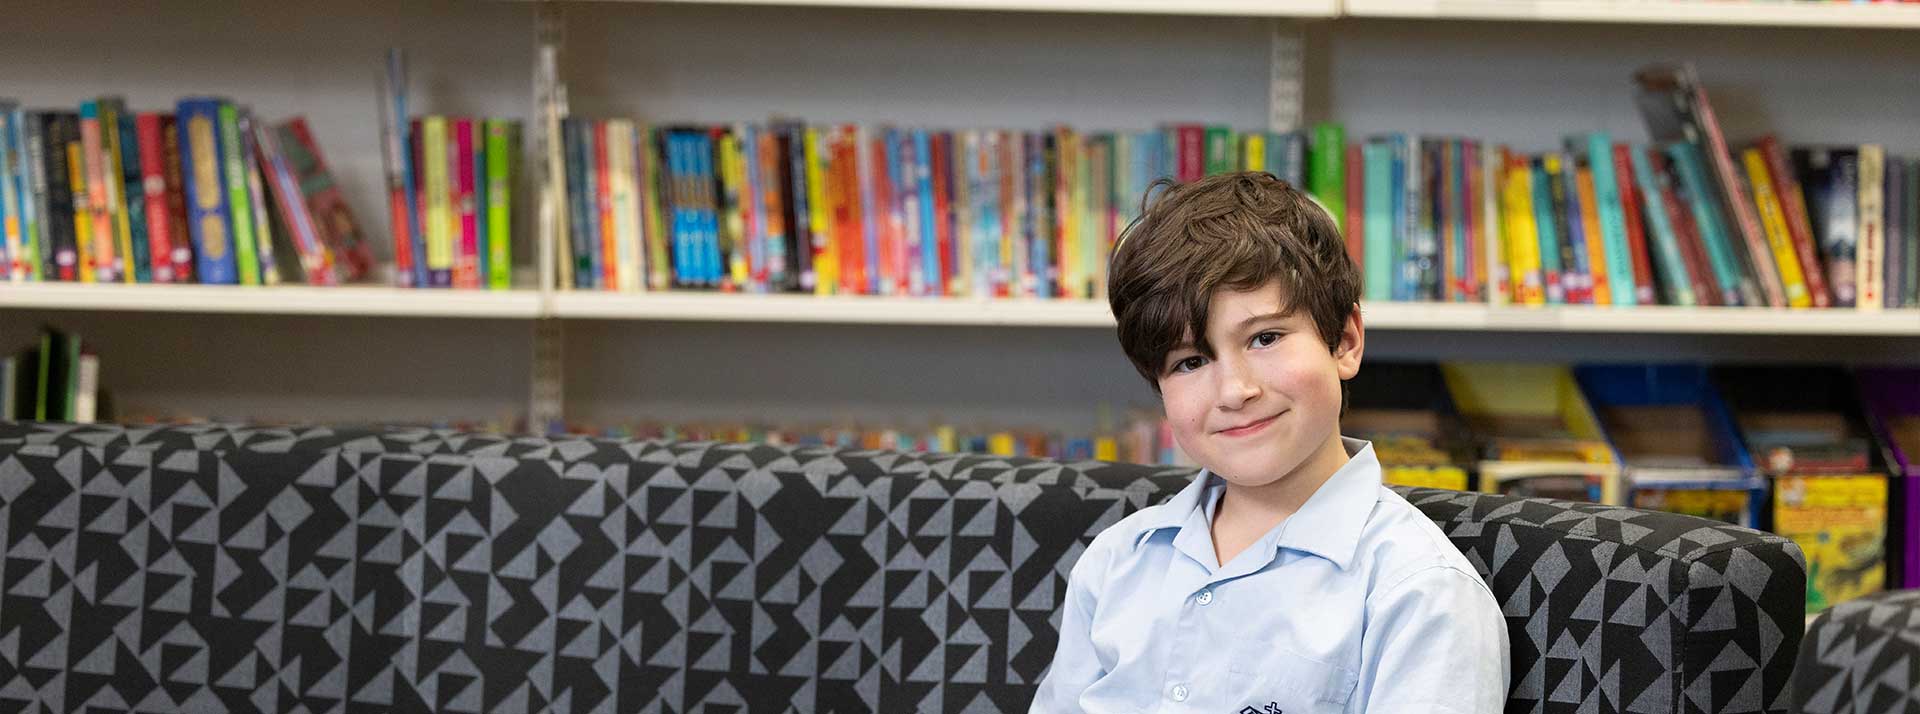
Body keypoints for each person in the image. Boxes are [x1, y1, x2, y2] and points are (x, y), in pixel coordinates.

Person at [1029, 172, 1509, 714]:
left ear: (1345, 341)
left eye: (1265, 338)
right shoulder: (1116, 562)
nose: (1235, 391)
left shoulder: (1420, 594)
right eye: (1190, 362)